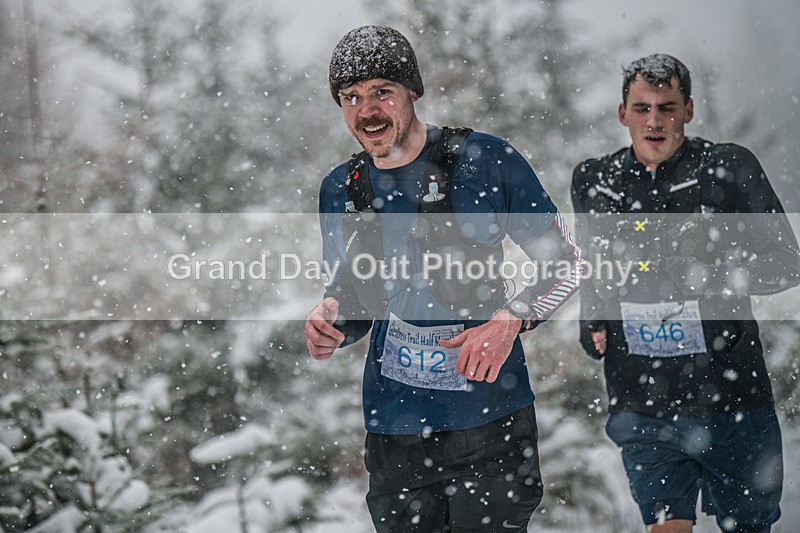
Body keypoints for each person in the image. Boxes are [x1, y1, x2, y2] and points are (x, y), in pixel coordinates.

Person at [305, 25, 582, 532]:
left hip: (490, 422)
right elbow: (357, 294)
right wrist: (332, 320)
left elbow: (567, 262)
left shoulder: (485, 160)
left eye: (382, 92)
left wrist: (511, 319)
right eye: (352, 97)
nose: (367, 111)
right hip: (395, 431)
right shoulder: (341, 189)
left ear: (413, 91)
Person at [571, 53, 800, 532]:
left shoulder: (729, 168)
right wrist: (591, 318)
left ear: (689, 110)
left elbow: (785, 264)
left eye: (667, 107)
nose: (654, 120)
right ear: (622, 113)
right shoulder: (595, 181)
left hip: (732, 397)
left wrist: (710, 275)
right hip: (643, 398)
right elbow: (594, 266)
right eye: (642, 108)